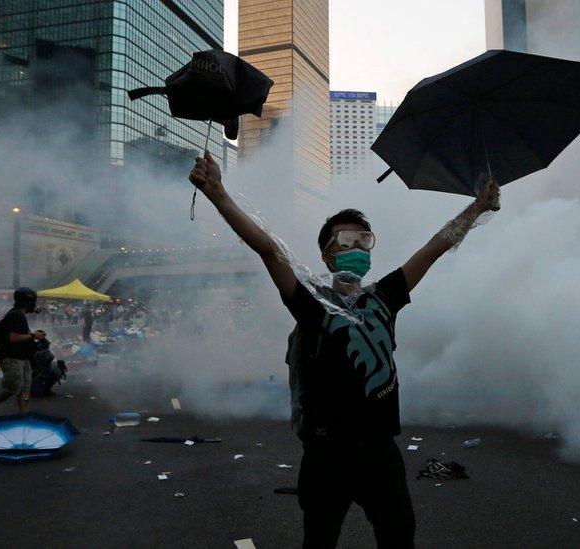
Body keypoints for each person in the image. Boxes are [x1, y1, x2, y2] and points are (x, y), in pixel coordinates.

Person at [188, 150, 501, 548]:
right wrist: (219, 195)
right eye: (346, 239)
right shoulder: (311, 302)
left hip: (380, 452)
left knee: (399, 536)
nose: (357, 246)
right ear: (327, 254)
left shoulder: (384, 297)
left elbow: (435, 248)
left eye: (364, 239)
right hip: (325, 453)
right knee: (319, 540)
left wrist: (477, 208)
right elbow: (268, 249)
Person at [0, 288, 45, 419]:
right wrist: (33, 335)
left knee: (26, 387)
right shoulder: (15, 315)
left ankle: (23, 415)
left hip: (23, 357)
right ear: (28, 301)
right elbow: (14, 338)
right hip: (12, 358)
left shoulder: (20, 315)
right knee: (13, 387)